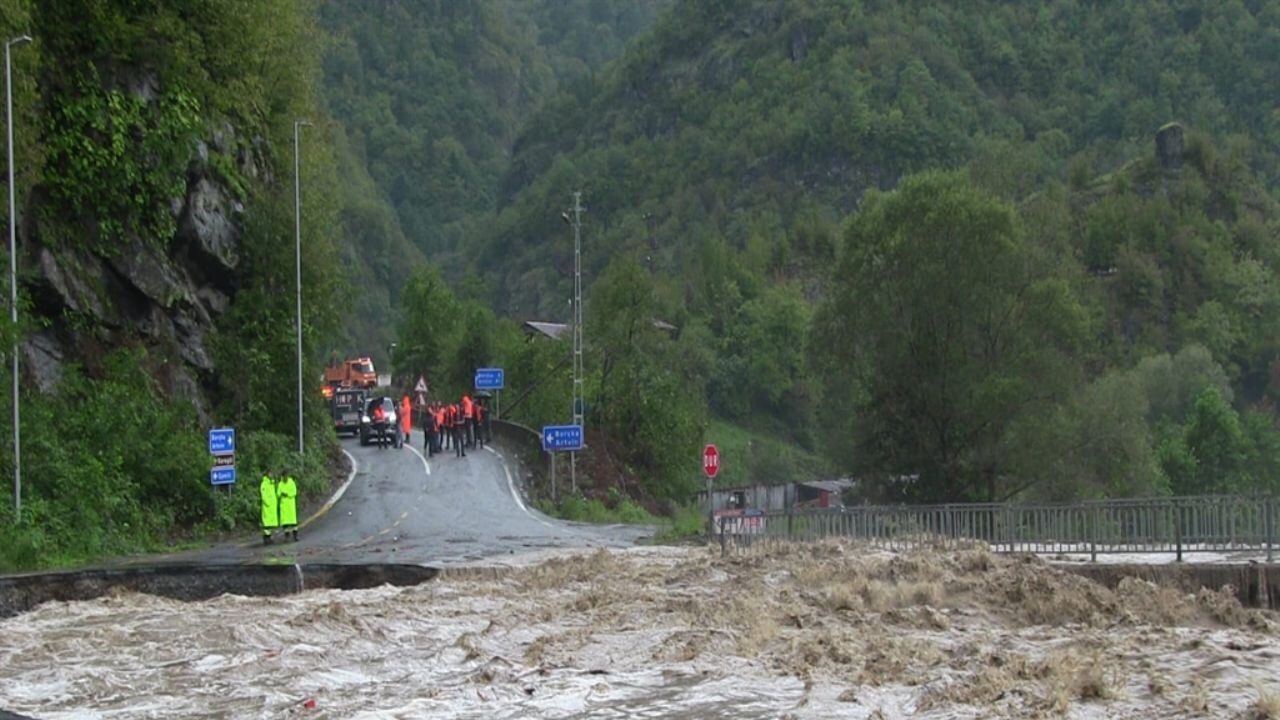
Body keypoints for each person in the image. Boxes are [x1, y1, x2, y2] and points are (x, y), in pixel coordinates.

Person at [277, 471, 298, 542]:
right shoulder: (280, 484)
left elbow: (294, 492)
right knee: (285, 523)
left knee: (293, 522)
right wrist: (281, 494)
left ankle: (295, 536)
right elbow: (278, 493)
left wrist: (287, 494)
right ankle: (287, 537)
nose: (285, 478)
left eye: (286, 476)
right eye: (284, 476)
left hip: (291, 504)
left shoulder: (291, 483)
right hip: (284, 505)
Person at [259, 471, 279, 545]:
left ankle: (269, 537)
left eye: (272, 473)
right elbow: (263, 495)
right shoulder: (264, 484)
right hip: (267, 507)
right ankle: (266, 538)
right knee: (266, 524)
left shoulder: (272, 483)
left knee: (270, 524)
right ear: (267, 475)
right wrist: (268, 503)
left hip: (272, 507)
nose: (271, 475)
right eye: (270, 474)